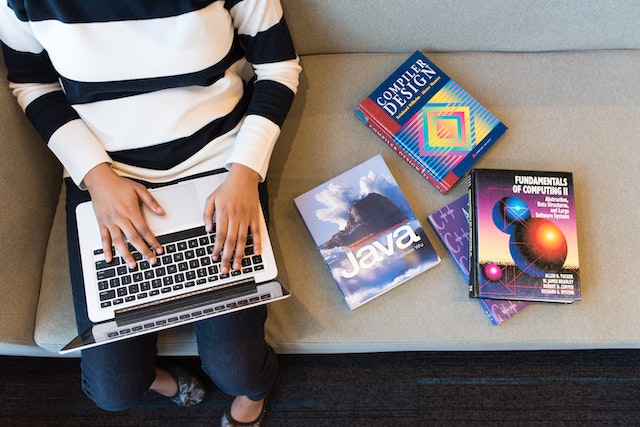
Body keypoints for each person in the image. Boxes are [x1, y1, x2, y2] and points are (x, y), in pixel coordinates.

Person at [0, 1, 301, 425]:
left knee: (238, 368)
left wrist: (245, 174)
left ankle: (255, 392)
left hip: (219, 166)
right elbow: (32, 84)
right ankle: (163, 380)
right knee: (112, 389)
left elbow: (278, 68)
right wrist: (97, 178)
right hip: (107, 177)